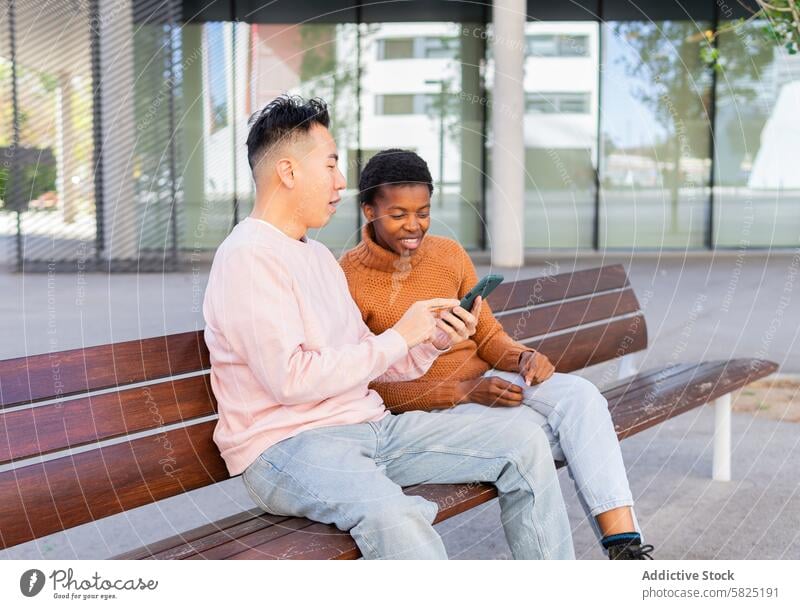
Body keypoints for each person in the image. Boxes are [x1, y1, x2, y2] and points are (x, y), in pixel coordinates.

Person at [202, 95, 575, 559]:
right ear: (288, 171)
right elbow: (291, 380)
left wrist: (431, 340)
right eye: (331, 165)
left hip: (370, 428)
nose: (341, 183)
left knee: (524, 442)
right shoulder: (248, 258)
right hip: (288, 449)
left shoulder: (316, 257)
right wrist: (400, 335)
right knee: (396, 517)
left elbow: (365, 358)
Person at [339, 149, 655, 560]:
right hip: (432, 414)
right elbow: (367, 383)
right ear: (368, 210)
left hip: (490, 388)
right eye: (398, 214)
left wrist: (522, 357)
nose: (413, 226)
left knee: (581, 396)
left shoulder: (448, 254)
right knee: (547, 437)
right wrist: (465, 390)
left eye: (423, 212)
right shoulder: (347, 277)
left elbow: (488, 336)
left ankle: (625, 549)